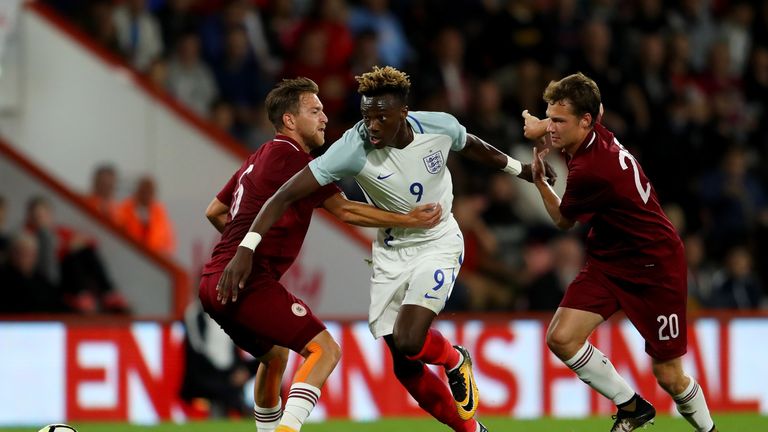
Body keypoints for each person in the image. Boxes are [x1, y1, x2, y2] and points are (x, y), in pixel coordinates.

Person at [218, 66, 557, 432]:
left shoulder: (438, 126)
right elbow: (283, 195)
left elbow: (472, 145)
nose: (372, 125)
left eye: (381, 117)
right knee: (405, 367)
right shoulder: (351, 147)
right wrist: (246, 247)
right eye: (366, 116)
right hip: (391, 253)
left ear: (403, 114)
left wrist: (521, 169)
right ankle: (474, 430)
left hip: (437, 242)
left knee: (411, 339)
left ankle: (454, 358)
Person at [199, 76, 443, 432]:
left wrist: (244, 251)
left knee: (275, 355)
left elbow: (215, 212)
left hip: (212, 281)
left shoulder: (259, 156)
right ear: (289, 121)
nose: (325, 118)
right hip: (247, 282)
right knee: (325, 349)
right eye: (315, 111)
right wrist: (406, 219)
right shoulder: (292, 158)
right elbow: (345, 210)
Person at [522, 72, 717, 432]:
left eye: (559, 121)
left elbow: (564, 221)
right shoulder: (596, 133)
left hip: (656, 266)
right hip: (609, 260)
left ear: (585, 121)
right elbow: (594, 108)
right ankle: (632, 408)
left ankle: (710, 431)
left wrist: (539, 183)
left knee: (669, 375)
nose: (552, 128)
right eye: (550, 117)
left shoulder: (592, 170)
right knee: (562, 338)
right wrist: (544, 126)